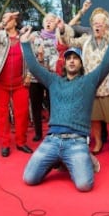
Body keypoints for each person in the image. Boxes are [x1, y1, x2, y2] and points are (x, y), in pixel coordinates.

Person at [21, 19, 109, 192]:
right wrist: (24, 44)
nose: (72, 61)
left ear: (81, 64)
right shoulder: (54, 81)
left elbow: (107, 64)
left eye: (76, 58)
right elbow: (35, 68)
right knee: (29, 179)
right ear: (65, 63)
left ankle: (83, 159)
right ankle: (58, 160)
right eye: (69, 58)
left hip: (77, 142)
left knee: (84, 185)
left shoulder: (89, 81)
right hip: (52, 140)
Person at [62, 9, 109, 156]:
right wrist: (63, 29)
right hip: (91, 86)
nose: (97, 26)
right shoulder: (86, 39)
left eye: (101, 24)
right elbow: (69, 41)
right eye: (95, 23)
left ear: (106, 26)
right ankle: (98, 142)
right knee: (94, 118)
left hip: (108, 84)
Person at [0, 11, 33, 157]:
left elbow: (32, 57)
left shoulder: (24, 37)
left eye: (9, 18)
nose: (6, 20)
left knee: (22, 113)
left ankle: (21, 142)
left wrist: (29, 75)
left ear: (15, 22)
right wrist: (0, 24)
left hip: (20, 83)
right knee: (2, 114)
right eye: (4, 17)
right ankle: (5, 144)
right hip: (0, 83)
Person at [26, 13, 72, 142]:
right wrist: (38, 61)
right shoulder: (35, 37)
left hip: (52, 76)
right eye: (46, 20)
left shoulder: (58, 39)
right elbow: (30, 57)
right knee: (36, 105)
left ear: (55, 24)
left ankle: (53, 130)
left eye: (52, 21)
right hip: (36, 77)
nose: (49, 23)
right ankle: (38, 133)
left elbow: (58, 58)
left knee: (53, 104)